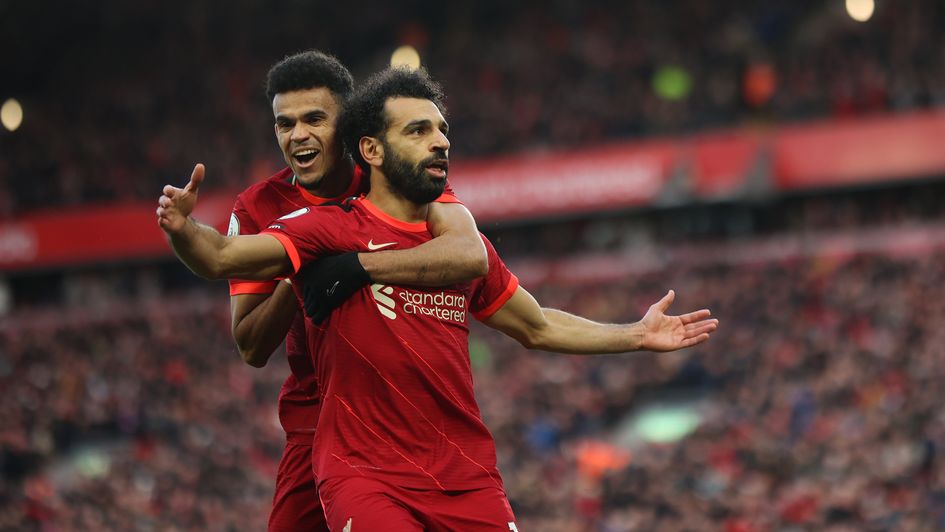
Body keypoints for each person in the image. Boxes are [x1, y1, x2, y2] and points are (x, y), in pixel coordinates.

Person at [157, 67, 718, 531]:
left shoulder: (455, 235)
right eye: (420, 131)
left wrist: (636, 335)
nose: (441, 141)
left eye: (441, 130)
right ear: (372, 148)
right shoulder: (321, 226)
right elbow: (221, 260)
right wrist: (183, 229)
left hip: (464, 471)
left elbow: (538, 325)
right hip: (364, 469)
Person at [167, 51, 489, 532]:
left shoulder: (393, 173)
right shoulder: (259, 206)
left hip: (402, 418)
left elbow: (469, 254)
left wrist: (356, 264)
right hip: (314, 422)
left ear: (350, 125)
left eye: (315, 118)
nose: (298, 135)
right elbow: (251, 344)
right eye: (284, 124)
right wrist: (303, 267)